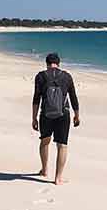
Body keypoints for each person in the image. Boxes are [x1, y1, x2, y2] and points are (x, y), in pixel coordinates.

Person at [32, 52, 80, 184]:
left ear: (46, 63)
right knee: (62, 145)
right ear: (59, 64)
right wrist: (77, 114)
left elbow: (36, 98)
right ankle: (58, 178)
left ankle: (44, 169)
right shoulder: (67, 76)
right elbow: (73, 97)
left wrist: (34, 118)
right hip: (63, 114)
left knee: (44, 141)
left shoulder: (41, 76)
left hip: (46, 114)